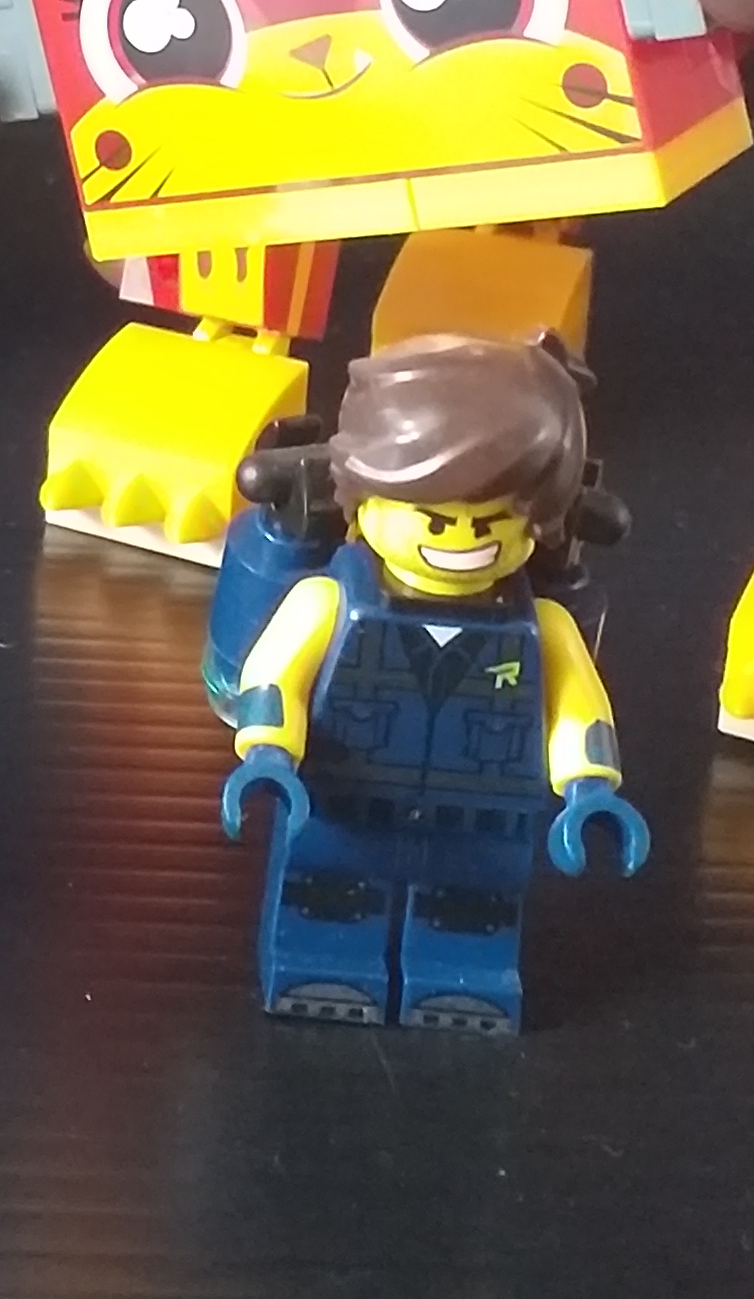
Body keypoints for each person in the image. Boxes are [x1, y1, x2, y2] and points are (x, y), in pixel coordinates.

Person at [218, 334, 650, 1031]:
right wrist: (268, 752)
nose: (463, 539)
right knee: (327, 895)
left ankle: (462, 985)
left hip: (483, 815)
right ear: (364, 501)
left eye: (493, 520)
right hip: (344, 798)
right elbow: (275, 676)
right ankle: (322, 966)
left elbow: (579, 710)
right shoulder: (328, 601)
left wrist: (590, 788)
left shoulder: (544, 626)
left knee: (472, 909)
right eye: (437, 519)